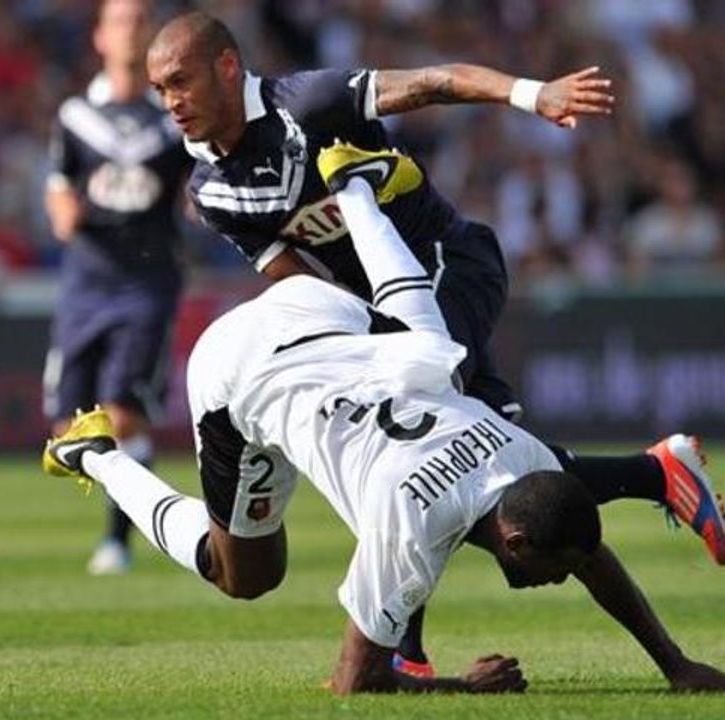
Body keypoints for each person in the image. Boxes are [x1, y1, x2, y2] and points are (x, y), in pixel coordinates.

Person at [143, 11, 721, 675]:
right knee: (516, 477)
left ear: (226, 67)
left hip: (444, 262)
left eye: (179, 82)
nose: (170, 102)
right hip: (380, 317)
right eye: (160, 89)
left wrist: (532, 94)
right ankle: (659, 485)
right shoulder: (212, 189)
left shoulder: (308, 103)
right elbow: (295, 282)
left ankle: (407, 656)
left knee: (433, 453)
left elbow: (435, 81)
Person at [43, 149, 725, 694]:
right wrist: (466, 688)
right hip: (240, 370)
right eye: (556, 570)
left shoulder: (524, 462)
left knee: (429, 345)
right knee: (243, 574)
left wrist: (676, 664)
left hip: (323, 313)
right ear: (514, 541)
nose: (561, 580)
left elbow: (589, 552)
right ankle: (97, 452)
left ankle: (356, 187)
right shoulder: (410, 527)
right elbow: (351, 684)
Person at [42, 0, 190, 575]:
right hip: (86, 279)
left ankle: (118, 541)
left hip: (148, 280)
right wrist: (60, 209)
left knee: (122, 417)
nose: (131, 29)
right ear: (100, 37)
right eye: (121, 20)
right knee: (68, 432)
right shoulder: (78, 115)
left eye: (140, 20)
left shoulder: (172, 117)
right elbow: (58, 179)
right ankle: (136, 507)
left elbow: (197, 178)